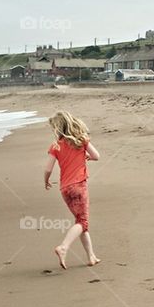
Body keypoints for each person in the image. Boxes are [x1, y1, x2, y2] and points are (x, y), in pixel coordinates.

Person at [43, 111, 101, 269]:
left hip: (65, 189)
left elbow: (48, 168)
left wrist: (46, 181)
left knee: (80, 222)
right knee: (82, 222)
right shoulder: (81, 140)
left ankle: (91, 256)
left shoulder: (55, 146)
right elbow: (96, 156)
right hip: (79, 186)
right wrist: (86, 157)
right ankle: (63, 247)